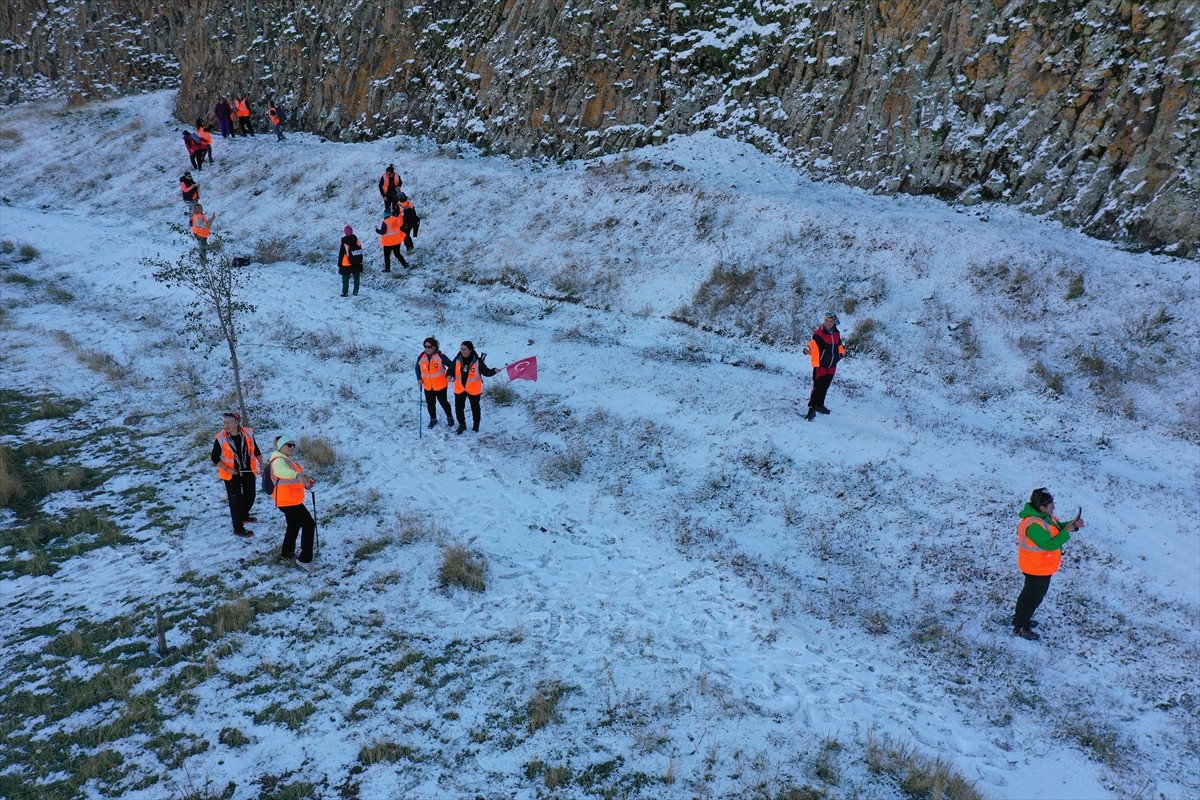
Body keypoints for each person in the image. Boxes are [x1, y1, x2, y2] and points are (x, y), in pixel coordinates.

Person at [1012, 487, 1085, 640]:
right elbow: (1050, 544)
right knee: (1033, 598)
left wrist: (1072, 525)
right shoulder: (1033, 525)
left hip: (1039, 566)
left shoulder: (1043, 517)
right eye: (1051, 506)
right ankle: (1021, 627)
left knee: (1027, 595)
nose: (1054, 508)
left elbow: (1056, 528)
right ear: (1042, 507)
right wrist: (1067, 532)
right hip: (1036, 568)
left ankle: (1019, 619)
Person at [269, 434, 317, 570]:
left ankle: (287, 554)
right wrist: (297, 475)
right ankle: (305, 559)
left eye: (293, 445)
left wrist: (304, 479)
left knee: (293, 526)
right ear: (280, 447)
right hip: (288, 501)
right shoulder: (278, 460)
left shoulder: (286, 459)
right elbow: (281, 472)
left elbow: (289, 479)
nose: (292, 447)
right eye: (288, 445)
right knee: (309, 524)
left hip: (289, 500)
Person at [210, 412, 261, 539]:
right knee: (236, 500)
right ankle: (238, 528)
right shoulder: (221, 437)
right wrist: (228, 469)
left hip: (248, 471)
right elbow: (214, 458)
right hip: (231, 474)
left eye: (228, 422)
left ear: (237, 423)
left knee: (250, 495)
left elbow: (256, 450)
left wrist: (262, 464)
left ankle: (244, 515)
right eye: (224, 422)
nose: (225, 425)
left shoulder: (247, 433)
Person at [802, 312, 846, 421]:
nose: (828, 323)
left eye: (831, 321)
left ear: (834, 322)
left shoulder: (836, 333)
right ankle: (811, 409)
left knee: (825, 387)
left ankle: (820, 405)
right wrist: (807, 349)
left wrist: (841, 354)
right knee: (817, 388)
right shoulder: (818, 334)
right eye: (826, 321)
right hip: (821, 366)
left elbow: (839, 345)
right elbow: (812, 345)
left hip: (832, 366)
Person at [450, 341, 500, 434]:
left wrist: (494, 371)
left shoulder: (477, 361)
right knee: (459, 408)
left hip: (473, 389)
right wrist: (449, 375)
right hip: (460, 388)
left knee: (475, 408)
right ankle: (462, 425)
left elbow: (486, 372)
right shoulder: (458, 358)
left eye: (465, 349)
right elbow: (451, 369)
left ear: (470, 350)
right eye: (461, 349)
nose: (462, 351)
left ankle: (476, 425)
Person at [417, 337, 455, 429]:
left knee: (443, 402)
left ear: (434, 347)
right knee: (430, 404)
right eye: (425, 347)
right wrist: (419, 378)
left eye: (429, 347)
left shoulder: (440, 356)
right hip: (428, 386)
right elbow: (417, 368)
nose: (427, 349)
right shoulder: (421, 356)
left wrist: (450, 375)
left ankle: (450, 418)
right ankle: (433, 419)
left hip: (440, 385)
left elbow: (452, 365)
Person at [338, 225, 364, 297]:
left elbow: (341, 253)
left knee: (345, 279)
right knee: (356, 278)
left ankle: (345, 293)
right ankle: (356, 292)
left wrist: (339, 264)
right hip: (357, 262)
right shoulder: (357, 240)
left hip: (346, 263)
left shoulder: (344, 242)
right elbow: (359, 251)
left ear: (345, 232)